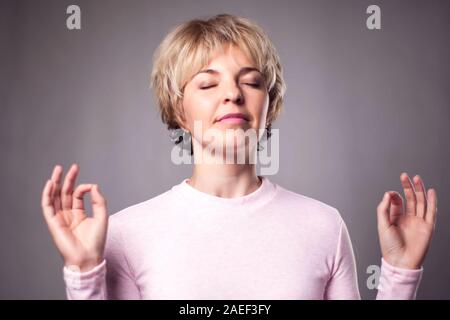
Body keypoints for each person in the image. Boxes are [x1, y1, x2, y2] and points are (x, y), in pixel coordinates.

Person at [40, 14, 437, 300]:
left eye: (250, 81)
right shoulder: (126, 234)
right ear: (179, 111)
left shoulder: (324, 226)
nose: (232, 93)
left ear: (269, 106)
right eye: (207, 84)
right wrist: (84, 272)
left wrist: (400, 273)